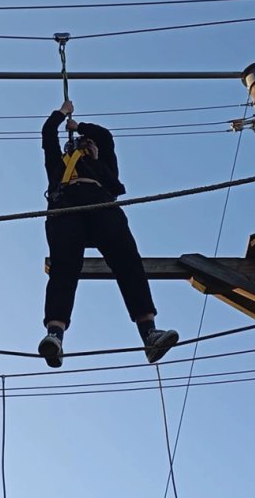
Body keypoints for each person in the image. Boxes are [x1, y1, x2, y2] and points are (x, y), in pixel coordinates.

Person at [37, 99, 178, 368]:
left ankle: (149, 333)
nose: (85, 145)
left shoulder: (105, 166)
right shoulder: (58, 164)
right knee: (64, 267)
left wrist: (80, 126)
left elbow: (105, 136)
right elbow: (47, 133)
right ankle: (55, 335)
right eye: (81, 143)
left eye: (89, 143)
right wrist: (61, 113)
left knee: (127, 261)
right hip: (65, 206)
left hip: (102, 204)